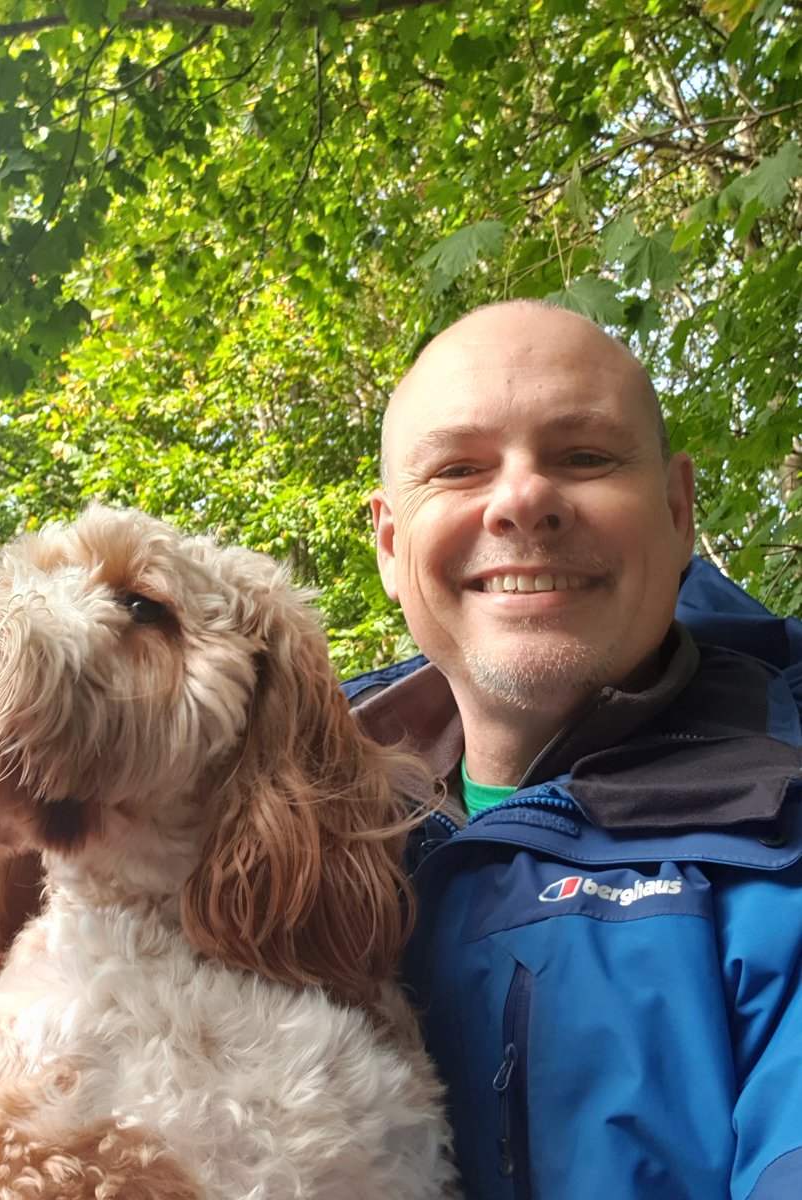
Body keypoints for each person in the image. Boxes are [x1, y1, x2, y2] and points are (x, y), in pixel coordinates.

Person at [342, 301, 802, 1200]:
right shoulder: (268, 830)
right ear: (392, 546)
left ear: (678, 510)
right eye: (460, 468)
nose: (522, 500)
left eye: (585, 456)